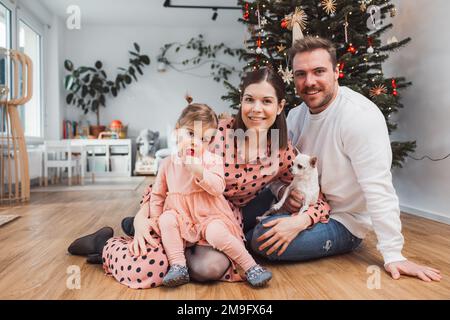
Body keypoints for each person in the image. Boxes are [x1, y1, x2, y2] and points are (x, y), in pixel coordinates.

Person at [250, 36, 441, 282]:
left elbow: (378, 188)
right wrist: (282, 194)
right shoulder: (295, 116)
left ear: (336, 72)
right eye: (300, 74)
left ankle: (237, 239)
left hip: (343, 220)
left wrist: (393, 254)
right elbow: (276, 172)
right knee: (240, 204)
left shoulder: (359, 117)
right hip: (304, 203)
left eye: (319, 71)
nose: (309, 82)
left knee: (262, 240)